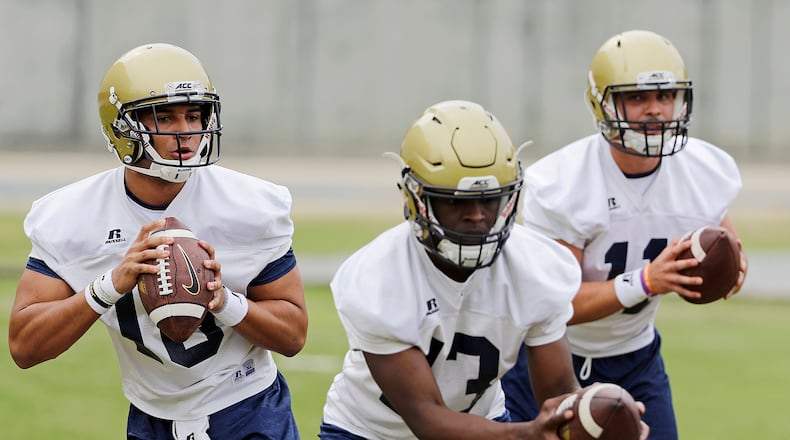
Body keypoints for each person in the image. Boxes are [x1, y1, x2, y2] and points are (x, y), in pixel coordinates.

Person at [8, 43, 308, 440]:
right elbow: (25, 347)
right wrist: (109, 286)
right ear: (121, 128)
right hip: (150, 416)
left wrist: (224, 301)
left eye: (194, 115)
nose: (185, 132)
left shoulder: (250, 205)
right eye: (164, 118)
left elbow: (294, 336)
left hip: (248, 409)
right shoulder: (72, 215)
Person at [500, 30, 748, 439]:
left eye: (665, 96)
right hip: (548, 358)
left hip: (636, 357)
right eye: (637, 98)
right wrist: (648, 281)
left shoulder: (705, 171)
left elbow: (726, 245)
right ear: (603, 104)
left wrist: (728, 267)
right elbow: (555, 306)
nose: (655, 110)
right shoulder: (564, 183)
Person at [318, 100, 585, 440]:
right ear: (415, 198)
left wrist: (595, 415)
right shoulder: (377, 277)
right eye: (457, 201)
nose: (476, 216)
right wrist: (527, 433)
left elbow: (560, 392)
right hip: (371, 432)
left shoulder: (536, 267)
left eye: (489, 199)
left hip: (486, 421)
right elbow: (428, 420)